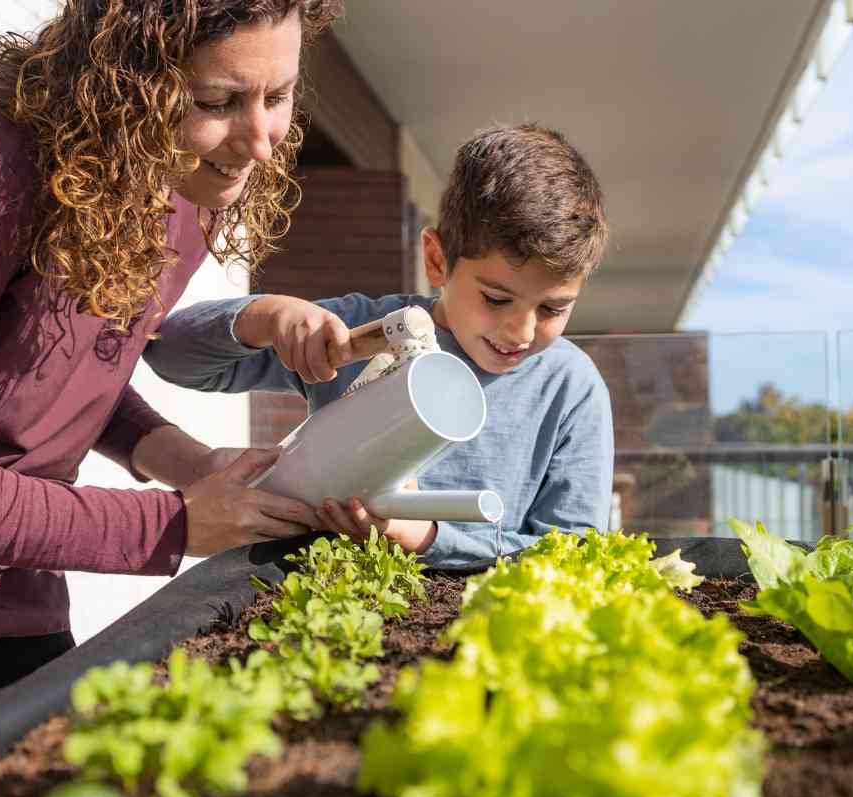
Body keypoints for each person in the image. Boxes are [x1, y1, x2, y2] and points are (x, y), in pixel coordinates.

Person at [0, 0, 342, 728]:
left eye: (278, 96)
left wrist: (197, 468)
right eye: (217, 102)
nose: (262, 141)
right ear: (123, 82)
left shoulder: (184, 181)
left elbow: (60, 370)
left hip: (6, 591)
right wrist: (170, 525)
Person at [143, 124, 615, 567]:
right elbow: (168, 355)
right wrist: (265, 318)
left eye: (553, 310)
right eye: (496, 299)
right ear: (437, 260)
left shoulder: (570, 387)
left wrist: (430, 539)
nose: (523, 332)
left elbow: (575, 556)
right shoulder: (366, 331)